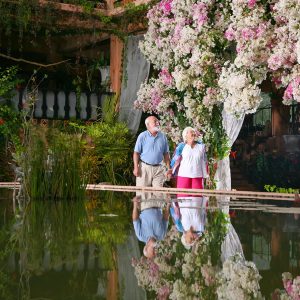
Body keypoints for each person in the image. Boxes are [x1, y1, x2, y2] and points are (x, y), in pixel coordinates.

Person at [133, 116, 171, 188]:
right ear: (148, 125)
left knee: (158, 195)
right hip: (144, 168)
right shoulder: (142, 136)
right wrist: (136, 167)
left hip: (159, 169)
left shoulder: (163, 136)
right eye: (155, 121)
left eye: (157, 121)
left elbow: (166, 154)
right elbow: (136, 153)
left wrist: (169, 168)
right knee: (142, 194)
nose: (157, 123)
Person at [171, 126, 209, 193]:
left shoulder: (201, 146)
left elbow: (204, 161)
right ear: (185, 135)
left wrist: (206, 175)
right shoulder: (181, 147)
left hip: (197, 175)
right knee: (183, 199)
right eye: (191, 132)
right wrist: (171, 170)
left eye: (194, 132)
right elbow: (175, 160)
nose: (194, 133)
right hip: (183, 175)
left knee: (198, 199)